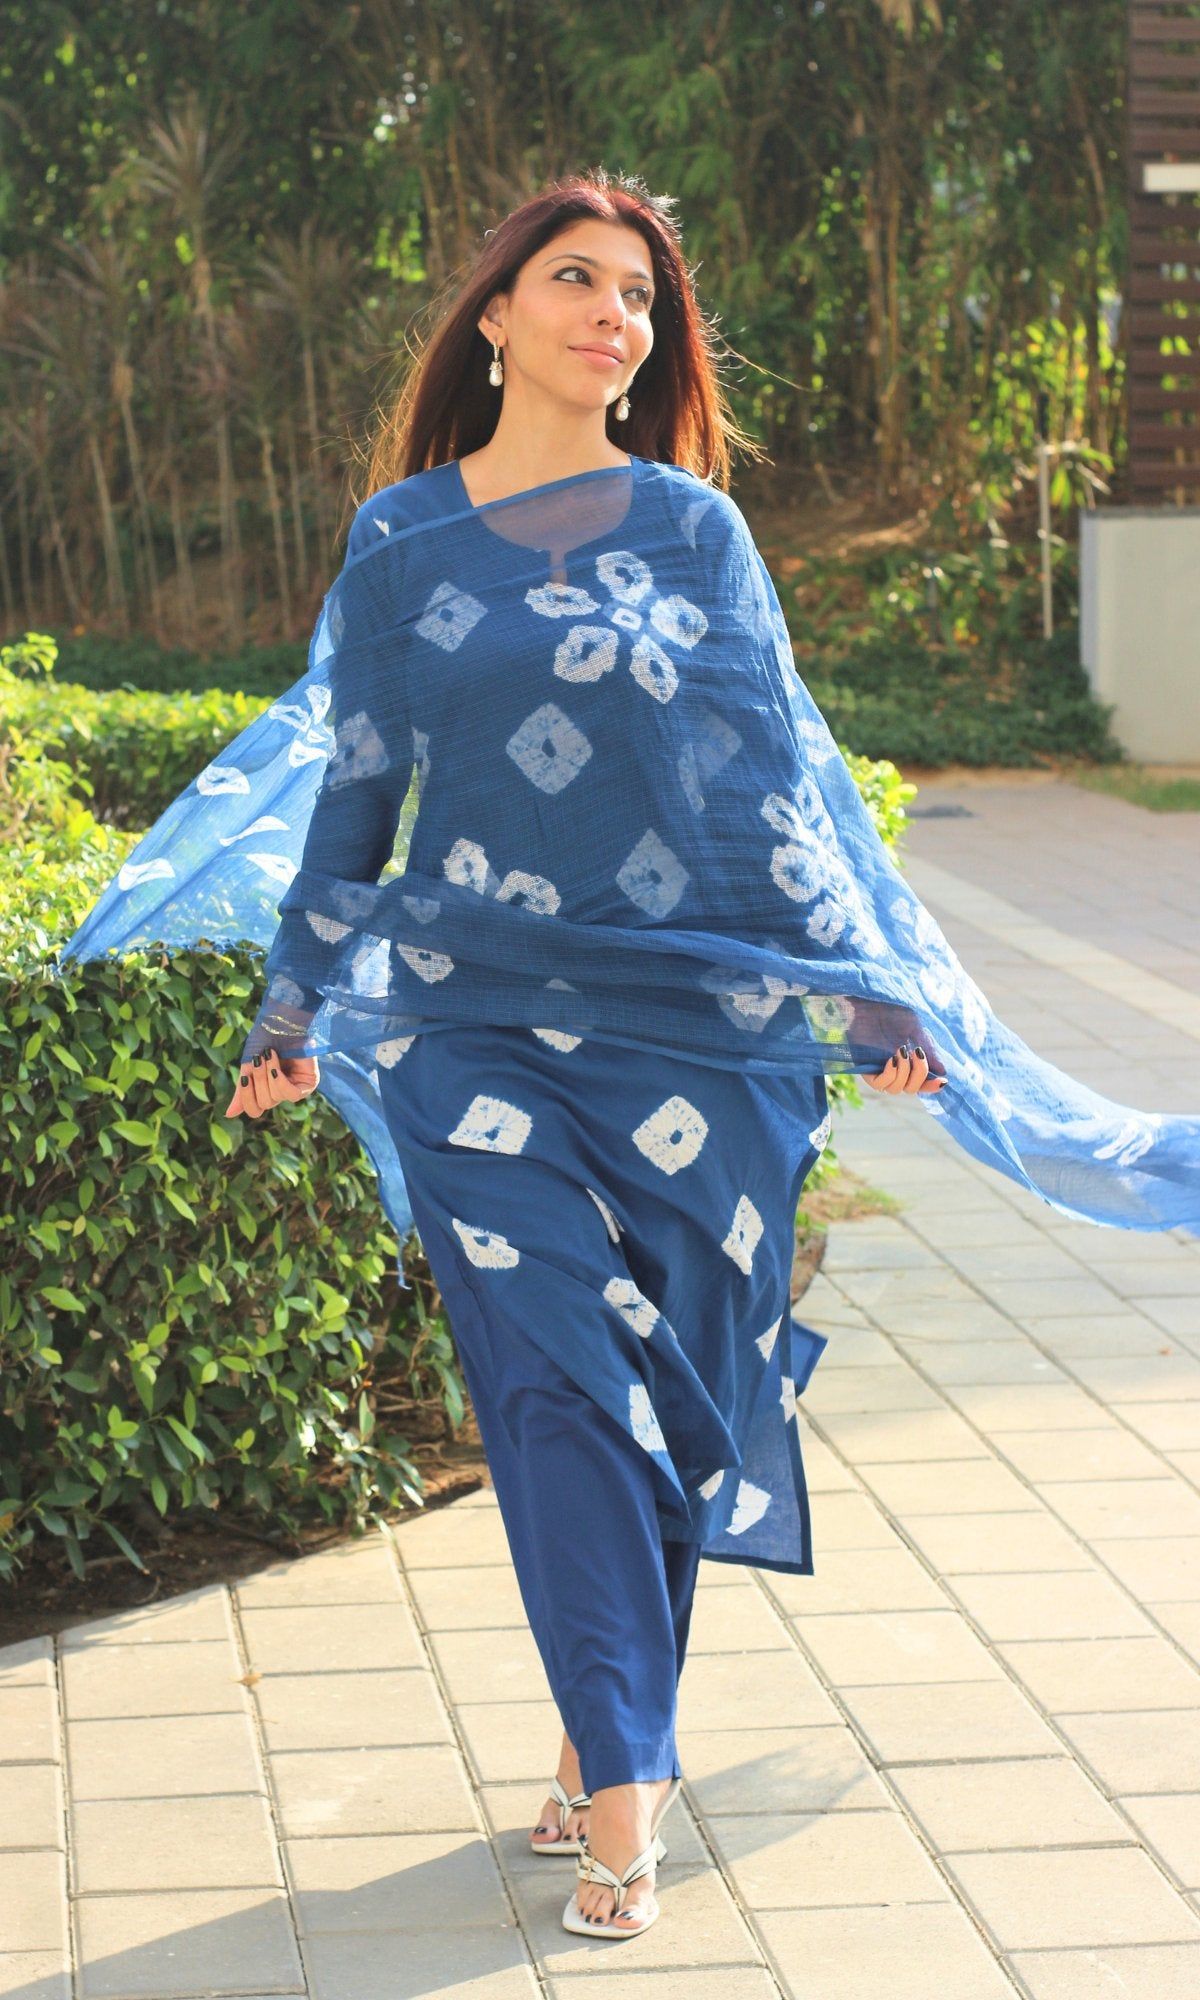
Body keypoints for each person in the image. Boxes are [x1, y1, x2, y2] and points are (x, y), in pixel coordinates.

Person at [60, 168, 1198, 1945]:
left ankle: (607, 1723)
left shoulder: (695, 533)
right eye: (576, 280)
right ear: (494, 317)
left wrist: (867, 994)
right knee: (557, 1384)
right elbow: (358, 799)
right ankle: (626, 1785)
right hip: (472, 1021)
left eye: (643, 296)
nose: (617, 314)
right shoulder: (399, 540)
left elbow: (767, 791)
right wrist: (293, 1009)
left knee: (676, 1394)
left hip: (695, 1031)